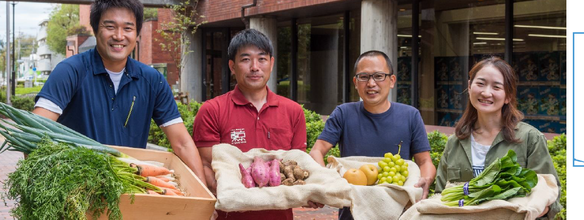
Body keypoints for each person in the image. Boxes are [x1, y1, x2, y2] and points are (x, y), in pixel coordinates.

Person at [32, 0, 206, 185]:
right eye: (110, 26)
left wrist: (205, 197)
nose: (119, 36)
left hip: (130, 189)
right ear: (96, 29)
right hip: (77, 190)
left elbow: (182, 143)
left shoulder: (152, 80)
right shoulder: (70, 71)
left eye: (128, 28)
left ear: (137, 34)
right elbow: (37, 131)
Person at [192, 29, 308, 220]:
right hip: (229, 214)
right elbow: (205, 165)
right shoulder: (212, 110)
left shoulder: (293, 111)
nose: (255, 67)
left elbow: (297, 166)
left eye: (262, 59)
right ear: (232, 66)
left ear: (271, 63)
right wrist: (243, 196)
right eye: (245, 59)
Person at [309, 50, 436, 220]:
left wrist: (426, 180)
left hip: (399, 213)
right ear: (355, 82)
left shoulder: (410, 115)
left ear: (392, 81)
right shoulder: (343, 113)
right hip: (353, 213)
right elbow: (317, 151)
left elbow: (425, 161)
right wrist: (326, 182)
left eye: (378, 76)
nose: (371, 83)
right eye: (364, 77)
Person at [434, 56, 562, 219]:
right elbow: (440, 195)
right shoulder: (455, 142)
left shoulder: (530, 138)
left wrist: (519, 212)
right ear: (469, 86)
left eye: (496, 87)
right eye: (480, 83)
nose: (486, 93)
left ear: (508, 96)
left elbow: (551, 194)